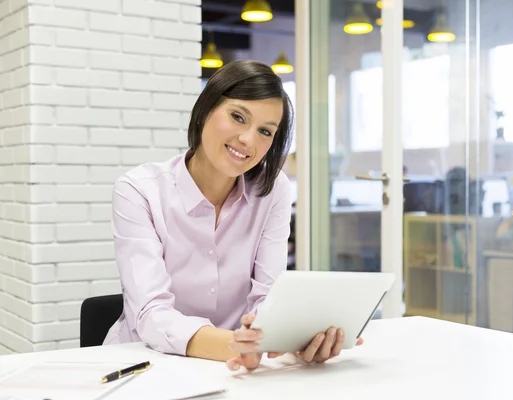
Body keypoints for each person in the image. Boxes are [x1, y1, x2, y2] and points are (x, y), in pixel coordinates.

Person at [103, 60, 360, 371]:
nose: (248, 141)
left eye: (265, 131)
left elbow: (268, 297)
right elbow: (151, 314)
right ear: (205, 110)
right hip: (144, 364)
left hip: (239, 368)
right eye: (238, 117)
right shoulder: (138, 191)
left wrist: (298, 339)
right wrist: (236, 345)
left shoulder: (272, 189)